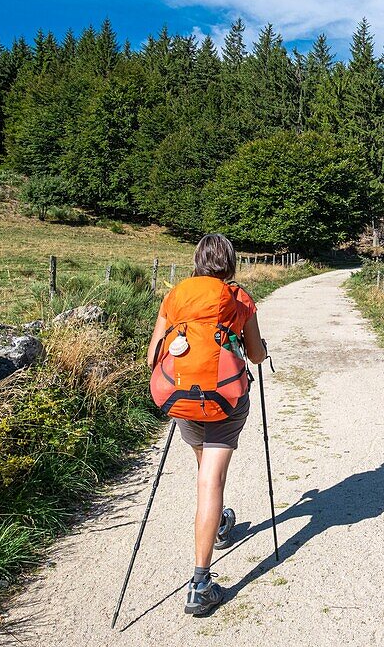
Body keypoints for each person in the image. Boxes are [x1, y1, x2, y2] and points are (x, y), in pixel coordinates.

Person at [146, 234, 266, 615]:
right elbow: (257, 354)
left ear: (197, 261)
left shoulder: (176, 296)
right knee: (210, 480)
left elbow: (152, 355)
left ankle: (216, 521)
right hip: (225, 400)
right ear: (230, 262)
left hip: (181, 399)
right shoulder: (240, 299)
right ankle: (200, 584)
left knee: (205, 474)